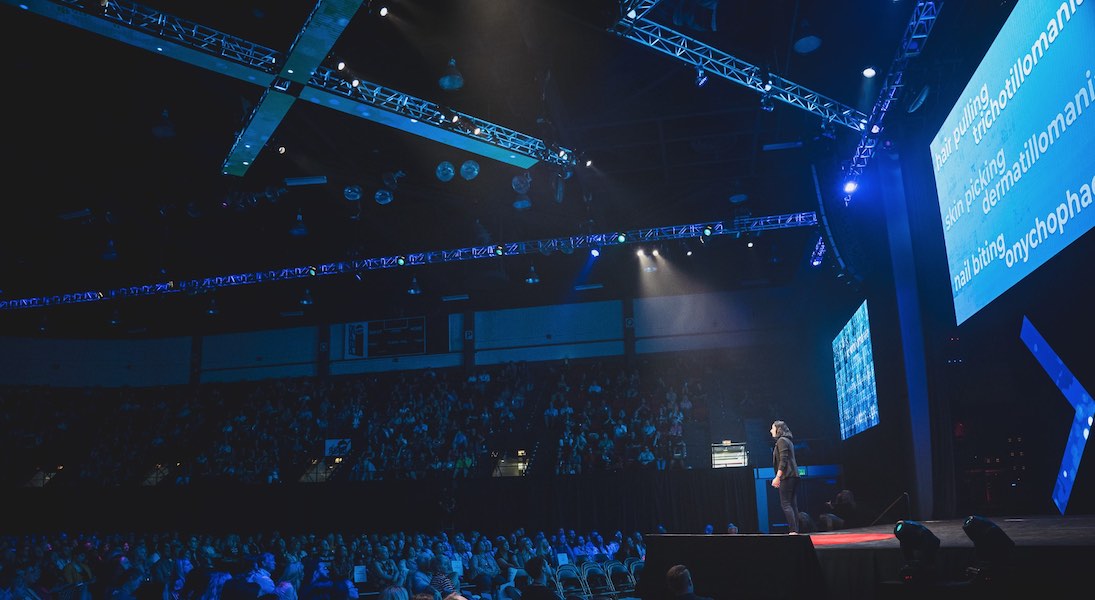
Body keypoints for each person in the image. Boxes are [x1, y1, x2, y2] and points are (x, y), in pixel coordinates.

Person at [770, 419, 801, 534]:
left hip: (788, 476)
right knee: (792, 503)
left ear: (778, 429)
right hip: (793, 475)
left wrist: (778, 477)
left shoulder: (782, 441)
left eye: (772, 428)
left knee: (786, 503)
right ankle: (795, 530)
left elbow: (783, 460)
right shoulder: (788, 441)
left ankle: (793, 530)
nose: (771, 430)